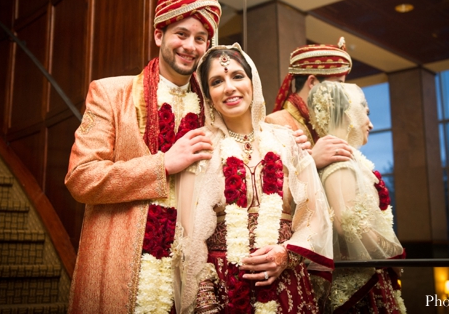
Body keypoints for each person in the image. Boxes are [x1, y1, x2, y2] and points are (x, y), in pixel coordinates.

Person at [64, 0, 221, 313]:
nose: (190, 46)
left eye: (200, 38)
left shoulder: (213, 106)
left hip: (191, 272)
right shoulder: (111, 93)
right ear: (158, 34)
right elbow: (81, 178)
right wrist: (162, 164)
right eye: (181, 33)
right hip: (125, 266)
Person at [174, 43, 334, 314]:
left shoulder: (287, 142)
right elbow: (187, 235)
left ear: (253, 81)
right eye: (216, 81)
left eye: (237, 76)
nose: (229, 87)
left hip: (286, 283)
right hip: (223, 290)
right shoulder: (200, 149)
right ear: (208, 95)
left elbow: (316, 216)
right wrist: (204, 299)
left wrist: (287, 254)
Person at [307, 81, 406, 314]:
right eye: (365, 113)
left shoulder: (350, 161)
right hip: (359, 287)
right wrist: (392, 254)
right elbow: (348, 226)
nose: (370, 123)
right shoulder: (339, 165)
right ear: (348, 115)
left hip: (366, 275)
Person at [265, 39, 355, 170]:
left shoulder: (327, 125)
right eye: (337, 85)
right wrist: (312, 161)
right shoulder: (276, 122)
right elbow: (274, 182)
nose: (341, 93)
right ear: (312, 82)